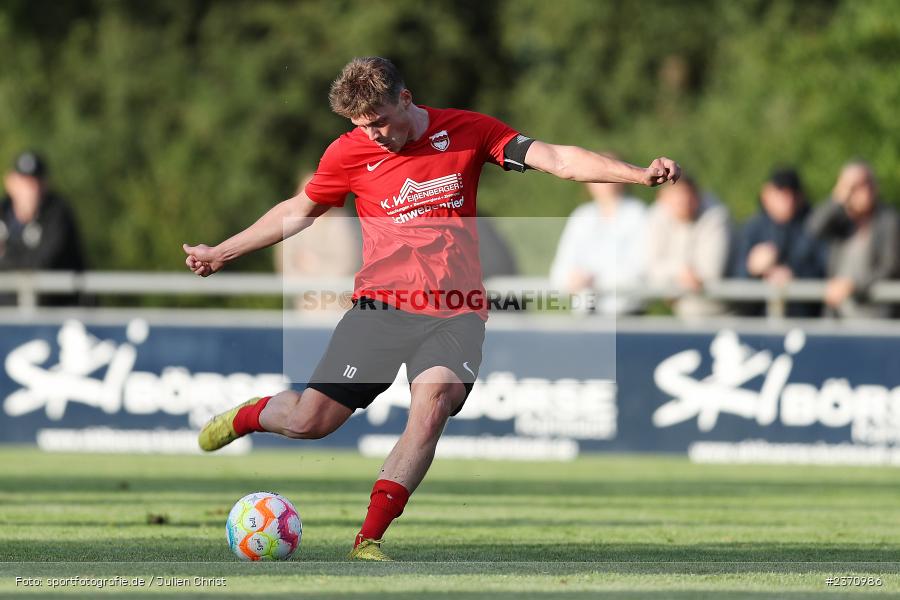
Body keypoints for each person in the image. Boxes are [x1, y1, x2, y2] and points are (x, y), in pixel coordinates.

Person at [183, 57, 680, 561]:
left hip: (456, 311)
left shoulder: (468, 132)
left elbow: (556, 158)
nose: (372, 134)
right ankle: (251, 416)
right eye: (360, 126)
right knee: (311, 422)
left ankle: (368, 539)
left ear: (405, 98)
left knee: (433, 401)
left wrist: (637, 175)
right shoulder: (349, 153)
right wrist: (221, 251)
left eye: (378, 120)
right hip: (381, 307)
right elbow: (297, 211)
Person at [807, 161, 900, 318]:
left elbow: (891, 266)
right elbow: (813, 229)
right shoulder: (840, 220)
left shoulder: (888, 220)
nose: (859, 192)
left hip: (877, 315)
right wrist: (837, 199)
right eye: (852, 187)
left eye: (863, 185)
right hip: (839, 315)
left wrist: (854, 285)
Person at [734, 168, 826, 317]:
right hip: (757, 324)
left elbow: (825, 271)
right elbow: (734, 282)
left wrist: (795, 276)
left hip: (803, 322)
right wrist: (751, 269)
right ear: (766, 194)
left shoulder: (814, 228)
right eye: (781, 192)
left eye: (792, 193)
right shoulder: (751, 230)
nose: (787, 200)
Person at [549, 179, 647, 315]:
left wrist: (595, 280)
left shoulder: (637, 213)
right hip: (586, 314)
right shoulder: (581, 215)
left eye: (608, 175)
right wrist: (573, 278)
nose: (603, 182)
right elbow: (559, 271)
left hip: (625, 312)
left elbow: (639, 268)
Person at [0, 151, 85, 306]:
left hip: (57, 314)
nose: (30, 191)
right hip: (6, 316)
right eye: (24, 183)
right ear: (10, 182)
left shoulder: (57, 214)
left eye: (35, 183)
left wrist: (5, 255)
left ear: (45, 184)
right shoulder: (3, 212)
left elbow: (41, 263)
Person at [645, 177, 731, 318]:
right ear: (662, 198)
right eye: (676, 196)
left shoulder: (716, 217)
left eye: (687, 195)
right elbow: (651, 268)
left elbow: (709, 273)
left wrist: (670, 283)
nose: (683, 202)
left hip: (723, 313)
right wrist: (680, 271)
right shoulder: (655, 215)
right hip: (682, 312)